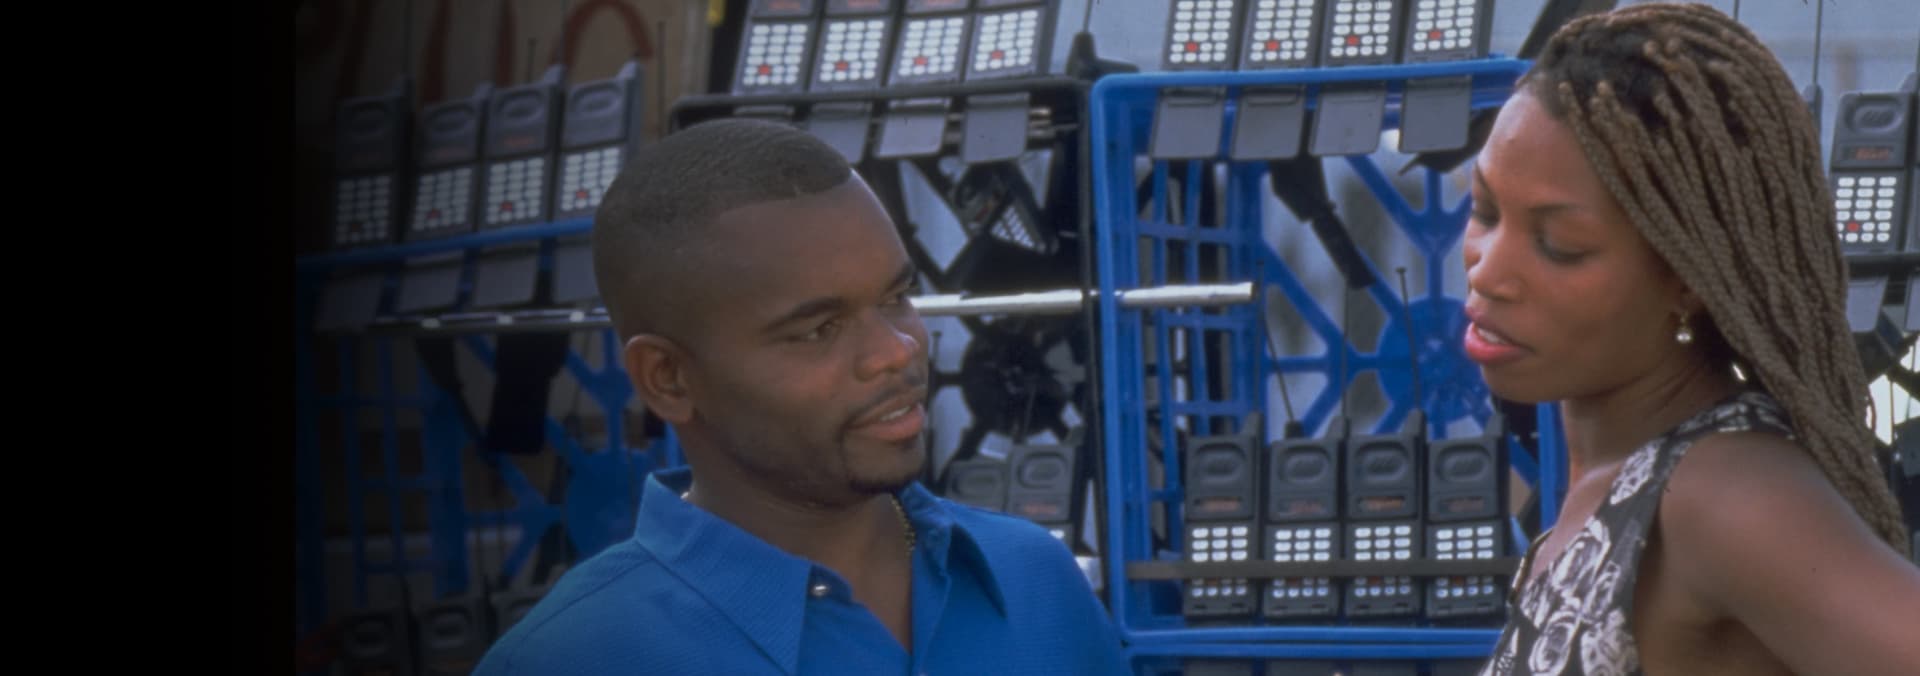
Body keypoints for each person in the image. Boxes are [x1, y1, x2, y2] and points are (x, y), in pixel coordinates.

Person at [473, 118, 1129, 674]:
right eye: (819, 329)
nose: (897, 350)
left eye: (897, 297)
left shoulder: (1033, 579)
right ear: (668, 378)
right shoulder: (574, 658)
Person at [1459, 4, 1920, 674]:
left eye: (1559, 245)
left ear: (1686, 279)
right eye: (1484, 211)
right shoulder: (1631, 481)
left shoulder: (1722, 493)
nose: (1487, 271)